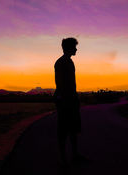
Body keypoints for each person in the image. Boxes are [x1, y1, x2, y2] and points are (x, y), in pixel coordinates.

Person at [54, 37, 85, 165]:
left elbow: (70, 83)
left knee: (72, 128)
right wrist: (64, 99)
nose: (76, 49)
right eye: (74, 47)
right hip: (65, 100)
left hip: (71, 99)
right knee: (64, 129)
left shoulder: (68, 61)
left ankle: (74, 155)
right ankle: (63, 159)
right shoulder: (62, 62)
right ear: (68, 48)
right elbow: (60, 83)